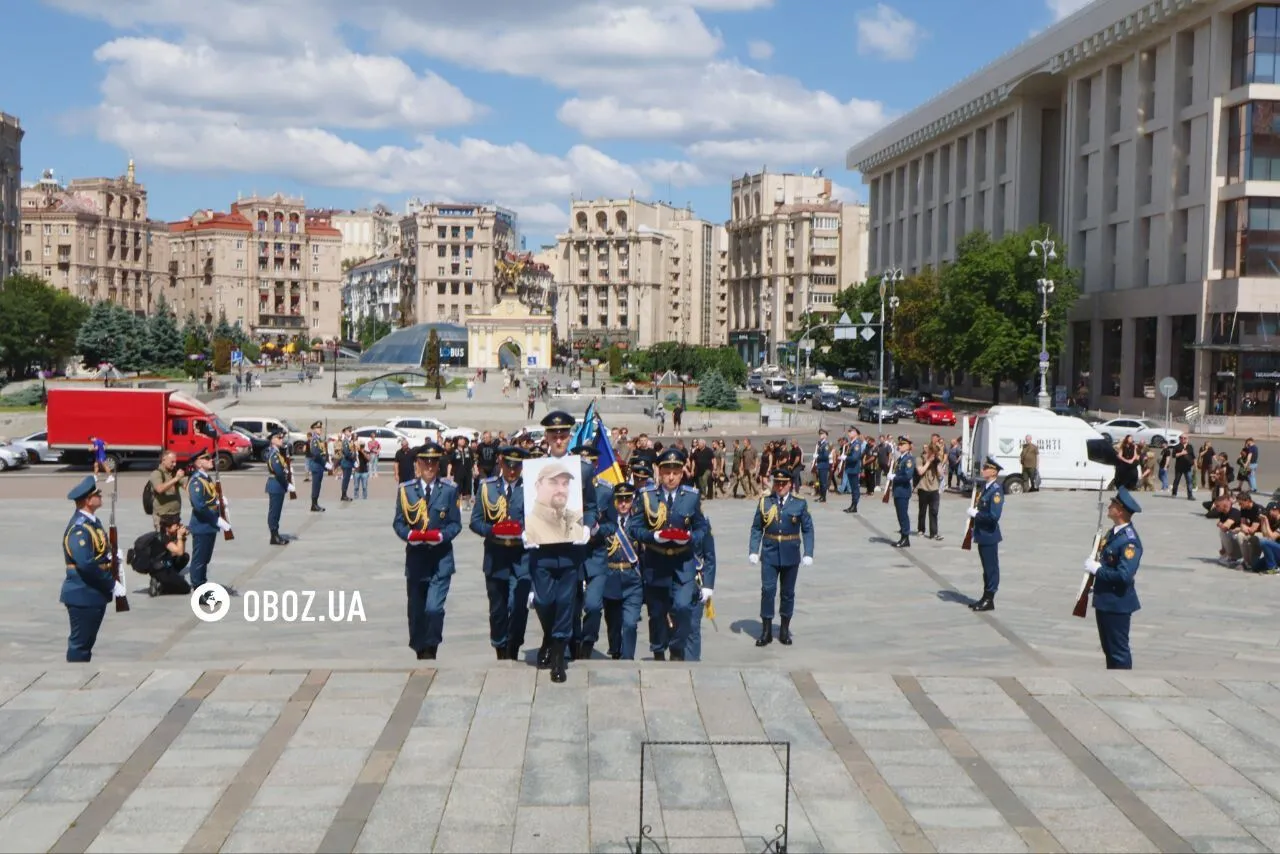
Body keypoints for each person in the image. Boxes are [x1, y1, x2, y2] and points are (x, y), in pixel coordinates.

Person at [524, 411, 596, 683]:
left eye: (563, 434)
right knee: (543, 601)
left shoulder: (583, 469)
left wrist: (587, 527)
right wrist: (524, 528)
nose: (558, 439)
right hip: (541, 548)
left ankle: (558, 659)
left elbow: (591, 506)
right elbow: (525, 503)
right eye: (554, 434)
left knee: (565, 602)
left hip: (569, 549)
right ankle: (549, 636)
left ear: (570, 436)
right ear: (546, 437)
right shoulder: (534, 467)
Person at [628, 447, 707, 661]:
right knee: (656, 613)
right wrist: (653, 537)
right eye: (666, 472)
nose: (671, 477)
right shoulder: (647, 496)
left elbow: (702, 528)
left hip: (682, 562)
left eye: (675, 472)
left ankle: (677, 647)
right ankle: (658, 650)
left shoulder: (691, 496)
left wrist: (691, 538)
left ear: (682, 473)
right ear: (659, 472)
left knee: (682, 607)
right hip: (656, 561)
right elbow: (633, 528)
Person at [392, 443, 462, 660]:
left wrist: (442, 536)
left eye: (434, 462)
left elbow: (455, 524)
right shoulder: (406, 490)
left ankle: (431, 647)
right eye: (425, 461)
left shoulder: (449, 490)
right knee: (416, 611)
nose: (429, 466)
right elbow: (399, 523)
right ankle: (420, 649)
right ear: (418, 463)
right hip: (416, 559)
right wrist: (409, 536)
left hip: (440, 559)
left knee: (433, 608)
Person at [470, 446, 530, 660]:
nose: (512, 471)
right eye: (508, 465)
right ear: (501, 463)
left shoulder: (529, 488)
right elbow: (475, 522)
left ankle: (513, 646)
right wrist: (492, 530)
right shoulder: (487, 488)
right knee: (498, 609)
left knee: (518, 606)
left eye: (517, 466)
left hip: (521, 556)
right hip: (496, 556)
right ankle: (500, 647)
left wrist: (524, 532)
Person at [748, 469, 814, 647]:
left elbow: (807, 529)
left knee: (787, 593)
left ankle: (784, 629)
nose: (780, 486)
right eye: (777, 483)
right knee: (768, 591)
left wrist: (808, 552)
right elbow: (756, 528)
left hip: (790, 553)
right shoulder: (765, 502)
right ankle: (766, 630)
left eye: (784, 483)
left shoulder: (799, 504)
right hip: (769, 552)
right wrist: (754, 549)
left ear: (790, 484)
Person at [60, 476, 121, 662]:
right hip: (82, 592)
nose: (100, 496)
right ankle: (74, 679)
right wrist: (111, 584)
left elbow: (98, 550)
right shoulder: (79, 529)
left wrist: (112, 557)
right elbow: (85, 564)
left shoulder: (92, 522)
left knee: (87, 641)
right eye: (97, 494)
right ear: (87, 500)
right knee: (80, 644)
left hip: (92, 592)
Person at [1084, 487, 1143, 670]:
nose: (1109, 507)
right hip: (1105, 599)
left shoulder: (1129, 541)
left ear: (1120, 511)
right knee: (1109, 649)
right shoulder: (1114, 533)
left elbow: (1124, 575)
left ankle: (1125, 685)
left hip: (1117, 602)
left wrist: (1098, 570)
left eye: (1113, 504)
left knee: (1118, 650)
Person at [571, 441, 612, 661]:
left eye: (589, 462)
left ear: (595, 465)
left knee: (594, 605)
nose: (585, 465)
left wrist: (597, 529)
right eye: (580, 462)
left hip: (595, 555)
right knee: (572, 605)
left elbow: (612, 524)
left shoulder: (606, 490)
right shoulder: (565, 487)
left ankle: (588, 641)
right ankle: (574, 642)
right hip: (573, 555)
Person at [601, 483, 644, 660]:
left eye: (627, 499)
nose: (623, 504)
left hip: (632, 578)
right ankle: (616, 651)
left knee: (630, 624)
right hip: (610, 577)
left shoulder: (639, 522)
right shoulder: (606, 522)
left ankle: (628, 659)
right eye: (620, 500)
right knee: (613, 623)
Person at [187, 449, 234, 599]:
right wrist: (216, 520)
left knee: (205, 559)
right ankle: (198, 588)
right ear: (199, 463)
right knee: (199, 560)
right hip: (202, 525)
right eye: (206, 459)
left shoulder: (206, 479)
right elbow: (199, 506)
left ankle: (202, 584)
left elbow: (210, 499)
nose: (210, 461)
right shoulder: (196, 481)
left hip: (208, 526)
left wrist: (219, 502)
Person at [965, 457, 1004, 612]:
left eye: (986, 468)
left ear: (994, 472)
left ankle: (990, 598)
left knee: (991, 568)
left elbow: (994, 516)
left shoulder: (996, 491)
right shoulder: (986, 488)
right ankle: (985, 597)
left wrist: (976, 514)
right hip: (982, 534)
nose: (983, 470)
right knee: (986, 568)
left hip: (989, 534)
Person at [129, 515, 191, 597]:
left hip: (163, 563)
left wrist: (183, 538)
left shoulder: (166, 535)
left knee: (184, 557)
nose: (178, 527)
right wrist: (180, 537)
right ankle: (161, 586)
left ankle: (169, 579)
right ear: (167, 528)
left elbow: (179, 553)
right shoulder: (163, 538)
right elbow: (179, 552)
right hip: (160, 569)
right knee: (185, 588)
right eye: (176, 525)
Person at [687, 522, 716, 661]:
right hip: (675, 581)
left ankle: (692, 663)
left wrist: (708, 586)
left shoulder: (703, 525)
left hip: (695, 582)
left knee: (693, 625)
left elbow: (710, 557)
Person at [264, 431, 293, 545]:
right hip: (276, 484)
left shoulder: (277, 453)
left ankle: (275, 534)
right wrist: (286, 484)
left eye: (282, 437)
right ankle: (274, 535)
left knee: (277, 511)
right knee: (274, 512)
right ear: (272, 440)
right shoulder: (274, 455)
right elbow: (279, 472)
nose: (282, 439)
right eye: (279, 438)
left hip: (277, 485)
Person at [148, 451, 186, 531]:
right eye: (172, 462)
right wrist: (176, 479)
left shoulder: (173, 473)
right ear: (163, 460)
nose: (174, 464)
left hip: (175, 516)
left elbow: (186, 485)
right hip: (162, 516)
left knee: (176, 541)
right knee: (164, 541)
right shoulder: (156, 473)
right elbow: (159, 489)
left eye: (175, 462)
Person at [890, 436, 915, 548]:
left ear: (908, 446)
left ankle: (905, 538)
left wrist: (894, 478)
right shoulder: (901, 458)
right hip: (898, 490)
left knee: (903, 515)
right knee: (900, 515)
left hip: (903, 491)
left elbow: (907, 476)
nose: (899, 446)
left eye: (902, 445)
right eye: (899, 444)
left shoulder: (908, 459)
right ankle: (903, 537)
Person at [305, 421, 330, 511]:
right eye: (318, 428)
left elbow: (322, 452)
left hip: (319, 466)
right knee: (316, 485)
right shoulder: (315, 440)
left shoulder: (319, 439)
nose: (320, 429)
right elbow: (316, 454)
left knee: (318, 486)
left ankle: (315, 504)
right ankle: (314, 505)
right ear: (314, 429)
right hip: (316, 465)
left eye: (320, 428)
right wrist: (325, 463)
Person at [843, 428, 864, 514]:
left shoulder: (856, 444)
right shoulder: (851, 444)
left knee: (855, 488)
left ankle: (854, 506)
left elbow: (855, 458)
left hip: (854, 469)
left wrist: (846, 458)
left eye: (851, 432)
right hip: (850, 468)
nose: (849, 433)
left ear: (855, 433)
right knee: (853, 488)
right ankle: (852, 505)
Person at [338, 427, 357, 502]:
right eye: (349, 431)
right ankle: (343, 495)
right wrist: (353, 458)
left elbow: (352, 451)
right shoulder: (345, 441)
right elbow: (347, 453)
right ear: (345, 432)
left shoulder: (349, 441)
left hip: (349, 463)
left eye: (350, 431)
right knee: (345, 479)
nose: (350, 432)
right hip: (346, 463)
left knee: (347, 479)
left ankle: (344, 494)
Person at [812, 430, 831, 503]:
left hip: (824, 466)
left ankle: (824, 497)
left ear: (826, 435)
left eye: (822, 434)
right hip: (820, 465)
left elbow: (826, 456)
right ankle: (821, 496)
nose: (820, 435)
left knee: (823, 482)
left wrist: (818, 456)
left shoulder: (826, 444)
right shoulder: (820, 444)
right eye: (820, 434)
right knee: (820, 482)